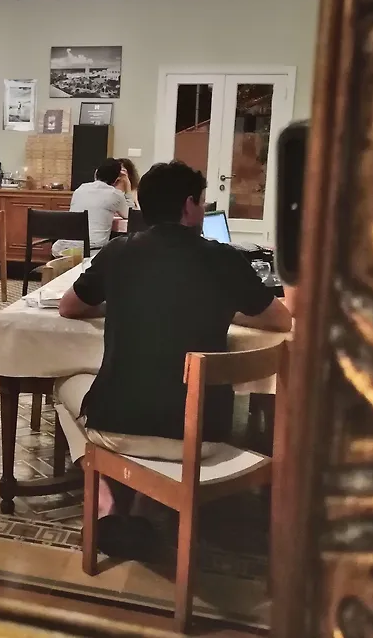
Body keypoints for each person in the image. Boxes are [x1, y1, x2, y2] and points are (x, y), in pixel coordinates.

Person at [57, 160, 292, 557]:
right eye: (202, 201)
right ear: (188, 206)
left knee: (64, 383)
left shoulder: (119, 252)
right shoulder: (223, 258)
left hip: (117, 428)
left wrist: (119, 303)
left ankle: (105, 498)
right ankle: (148, 503)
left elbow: (68, 307)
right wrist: (226, 308)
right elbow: (280, 319)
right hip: (202, 436)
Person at [51, 158, 131, 257]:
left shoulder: (80, 189)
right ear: (115, 180)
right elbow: (130, 215)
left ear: (96, 173)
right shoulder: (115, 194)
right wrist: (127, 186)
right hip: (92, 250)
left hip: (63, 248)